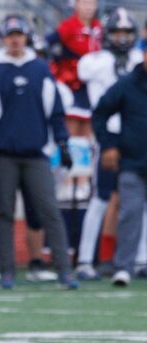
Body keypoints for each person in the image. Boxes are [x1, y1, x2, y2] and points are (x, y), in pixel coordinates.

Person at [0, 14, 78, 290]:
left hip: (35, 153)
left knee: (49, 210)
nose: (15, 39)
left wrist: (63, 142)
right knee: (3, 212)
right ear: (3, 38)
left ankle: (64, 270)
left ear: (26, 37)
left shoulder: (39, 68)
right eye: (10, 35)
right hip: (2, 153)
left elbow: (54, 110)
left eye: (19, 34)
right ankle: (7, 271)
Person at [75, 8, 143, 281]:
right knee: (101, 197)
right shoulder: (94, 61)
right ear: (106, 35)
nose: (122, 37)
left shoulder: (139, 59)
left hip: (135, 139)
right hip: (108, 139)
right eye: (117, 32)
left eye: (127, 32)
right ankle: (84, 259)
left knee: (140, 201)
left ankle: (139, 259)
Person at [92, 37, 147, 287]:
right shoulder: (126, 85)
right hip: (133, 162)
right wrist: (109, 144)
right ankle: (123, 267)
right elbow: (101, 112)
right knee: (129, 214)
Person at [47, 0, 102, 137]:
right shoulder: (70, 26)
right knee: (72, 128)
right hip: (73, 85)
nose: (88, 7)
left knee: (90, 129)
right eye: (84, 3)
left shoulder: (98, 27)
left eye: (92, 3)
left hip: (93, 86)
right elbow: (48, 42)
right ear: (76, 5)